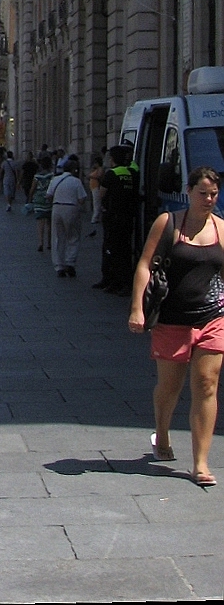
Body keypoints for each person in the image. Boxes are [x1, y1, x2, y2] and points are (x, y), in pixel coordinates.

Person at [132, 164, 224, 486]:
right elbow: (145, 265)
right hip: (172, 319)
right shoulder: (168, 223)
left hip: (212, 317)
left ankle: (200, 464)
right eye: (203, 193)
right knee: (170, 387)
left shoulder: (222, 229)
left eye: (214, 194)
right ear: (189, 191)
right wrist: (137, 310)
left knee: (207, 385)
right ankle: (162, 431)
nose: (209, 199)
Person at [100, 143, 145, 295]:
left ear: (112, 159)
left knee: (113, 249)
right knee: (125, 250)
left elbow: (102, 194)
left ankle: (116, 281)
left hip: (113, 217)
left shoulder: (112, 174)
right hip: (128, 215)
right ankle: (123, 281)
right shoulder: (132, 172)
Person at [51, 156, 92, 277]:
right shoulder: (76, 181)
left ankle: (59, 266)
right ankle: (70, 262)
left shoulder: (55, 179)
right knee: (73, 236)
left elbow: (48, 195)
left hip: (57, 207)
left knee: (58, 237)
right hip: (71, 208)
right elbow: (82, 198)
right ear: (74, 170)